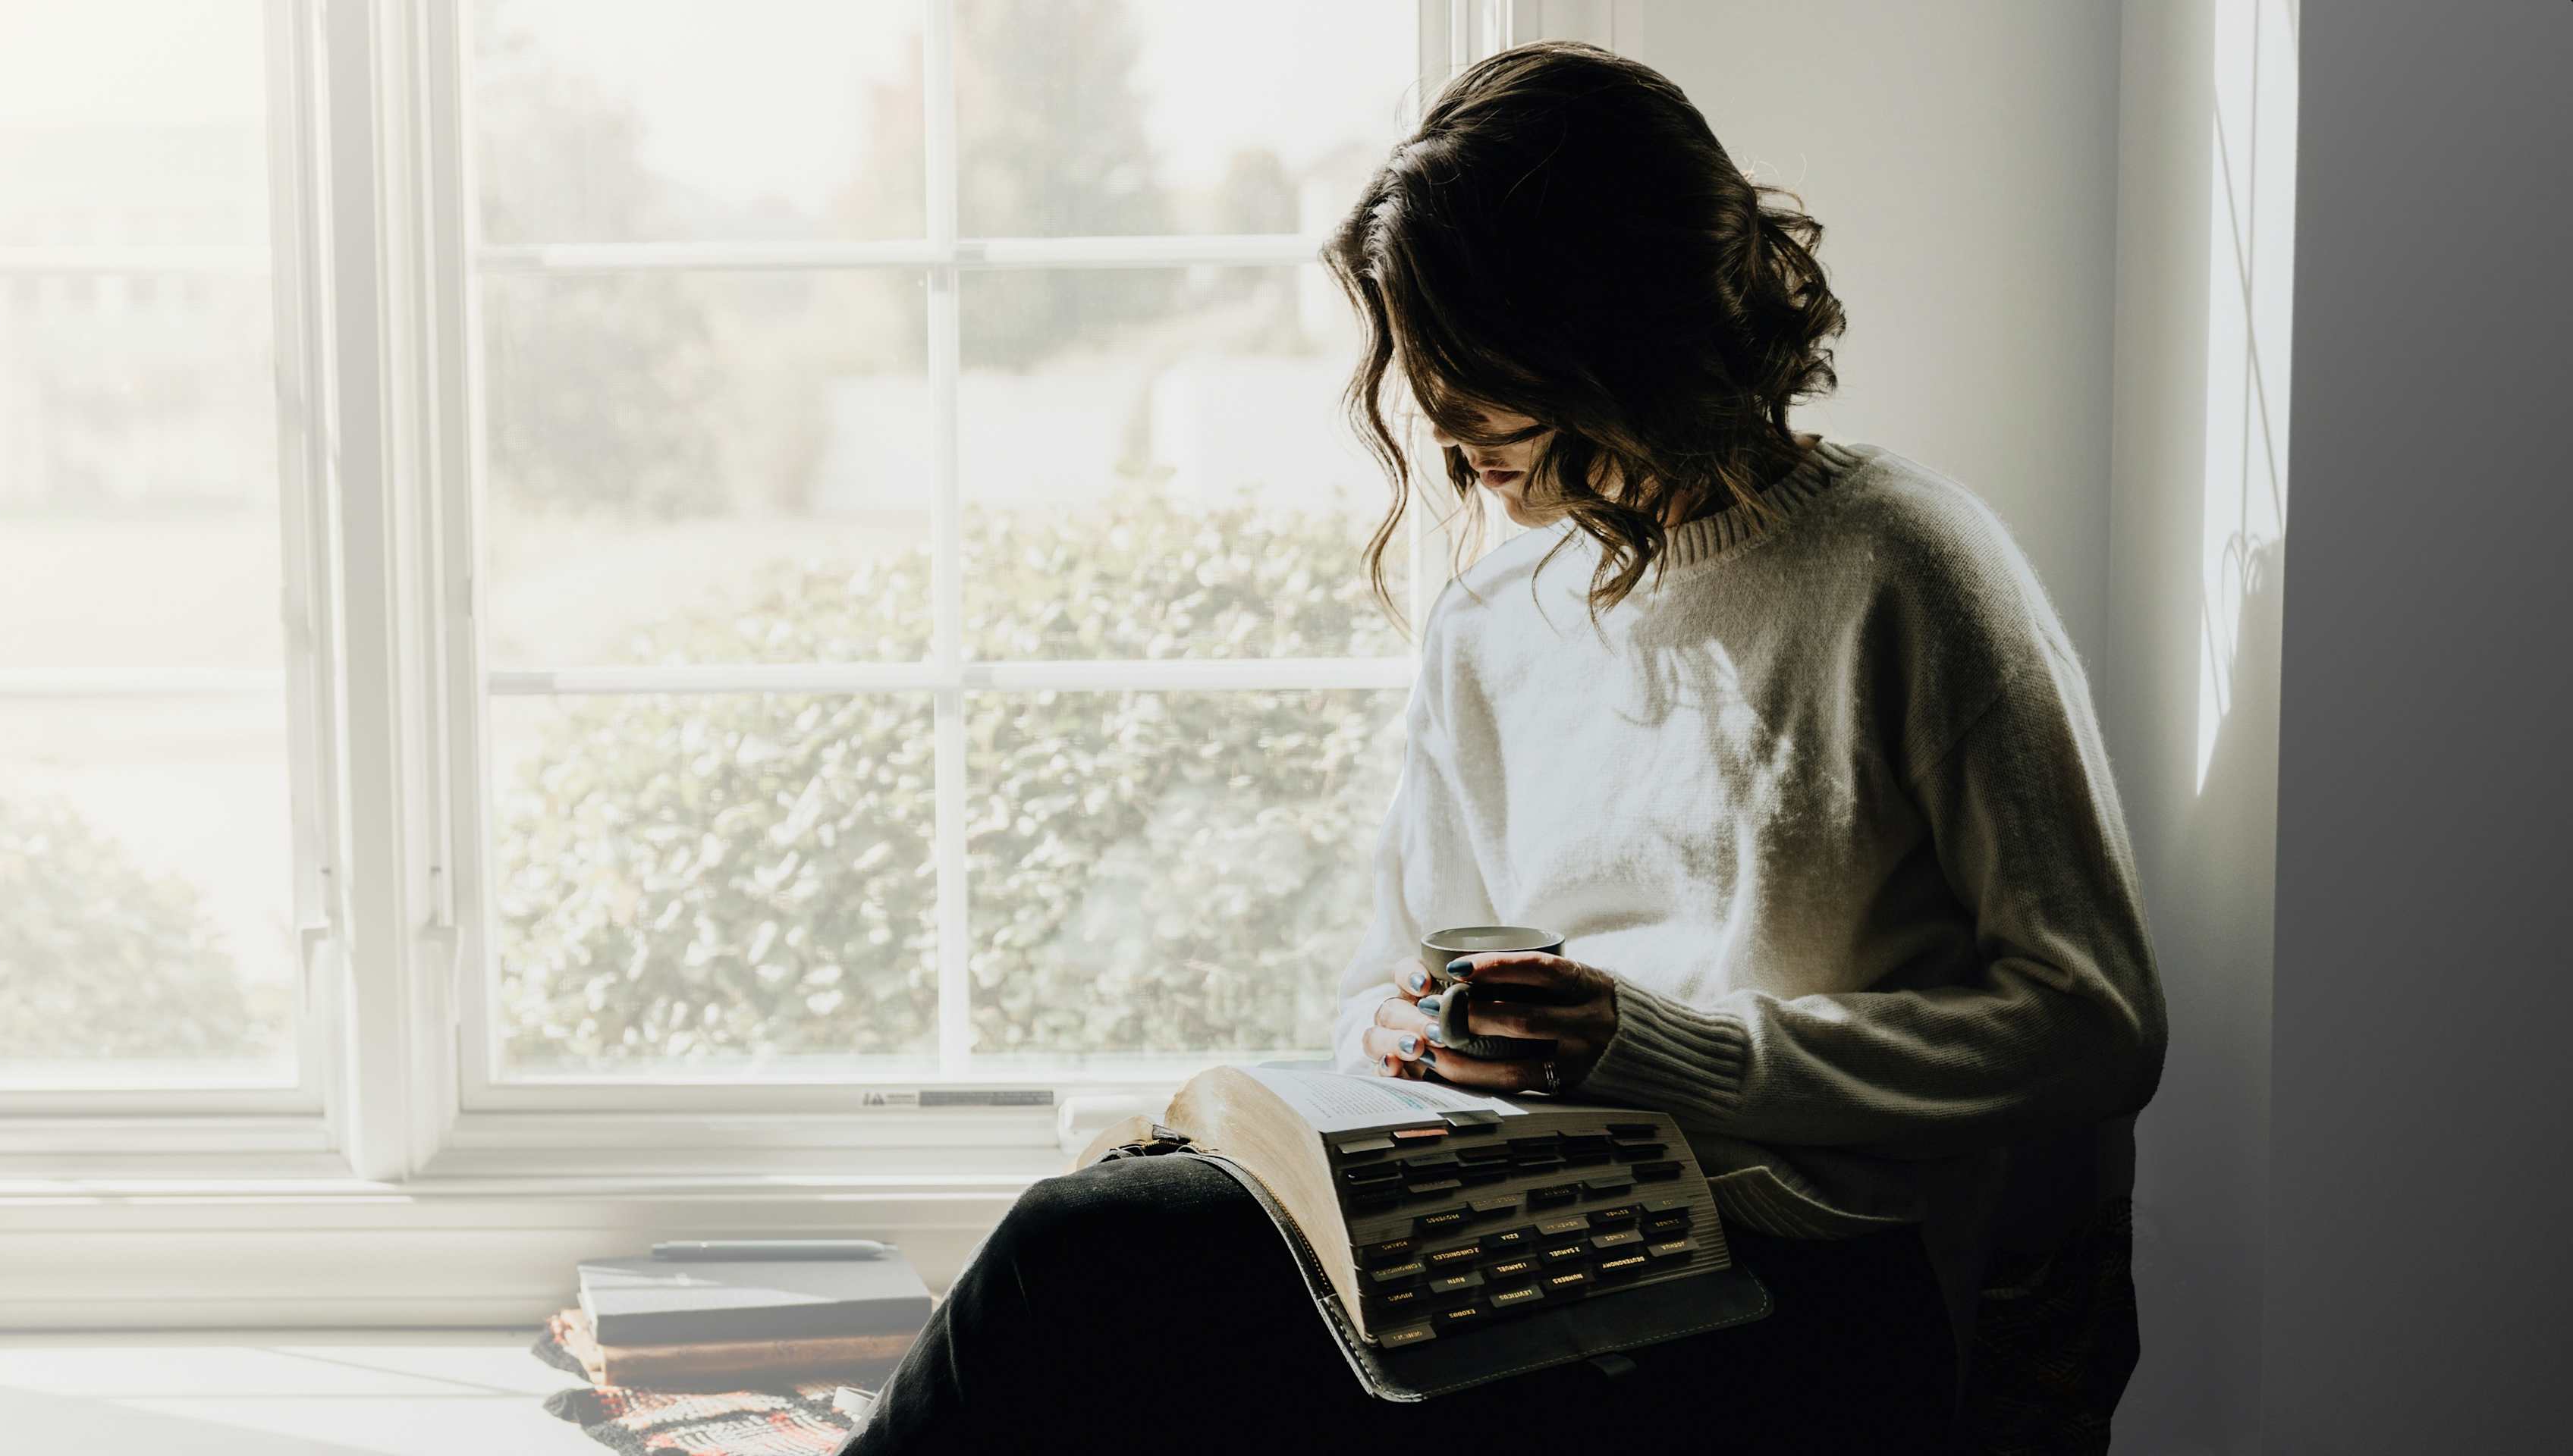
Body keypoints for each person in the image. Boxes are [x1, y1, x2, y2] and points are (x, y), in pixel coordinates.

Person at [840, 39, 2164, 1456]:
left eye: (1478, 363)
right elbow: (1380, 979)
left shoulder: (1905, 570)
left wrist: (1667, 1053)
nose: (1437, 410)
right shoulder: (1490, 620)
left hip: (1803, 1274)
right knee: (1110, 1269)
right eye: (1421, 357)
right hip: (1507, 1230)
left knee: (1092, 1266)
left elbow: (2094, 1026)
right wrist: (1417, 1035)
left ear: (1623, 327)